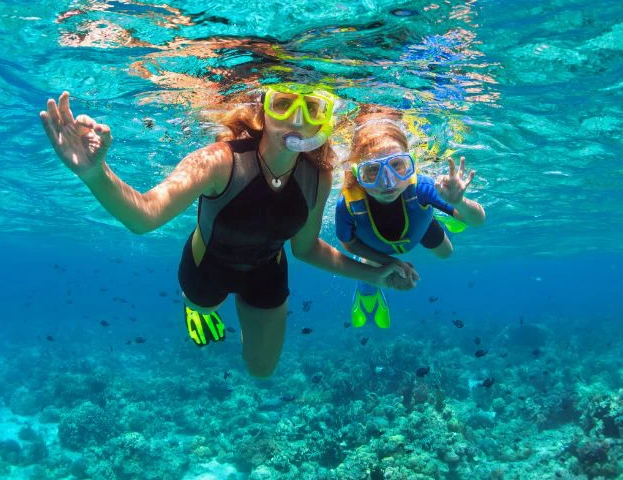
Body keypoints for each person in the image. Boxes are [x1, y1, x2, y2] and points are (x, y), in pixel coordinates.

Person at [40, 84, 418, 378]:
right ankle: (195, 308)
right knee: (203, 307)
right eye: (283, 104)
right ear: (263, 111)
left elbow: (306, 249)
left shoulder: (319, 176)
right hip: (207, 267)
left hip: (267, 272)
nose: (297, 119)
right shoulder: (219, 160)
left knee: (262, 370)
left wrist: (375, 274)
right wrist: (95, 173)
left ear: (323, 119)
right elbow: (145, 216)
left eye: (312, 108)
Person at [335, 111, 486, 329]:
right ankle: (367, 291)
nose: (388, 182)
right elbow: (348, 243)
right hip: (374, 247)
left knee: (446, 253)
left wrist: (459, 202)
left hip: (420, 225)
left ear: (411, 163)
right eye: (373, 170)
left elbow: (478, 221)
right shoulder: (348, 205)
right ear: (358, 173)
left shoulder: (421, 187)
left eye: (397, 165)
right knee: (371, 266)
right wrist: (388, 262)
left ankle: (445, 211)